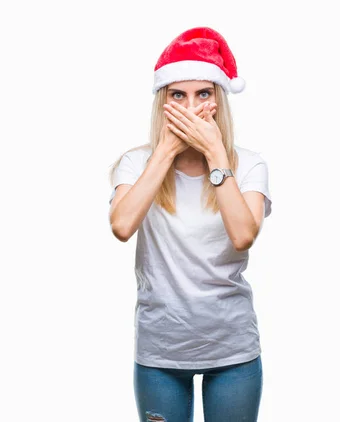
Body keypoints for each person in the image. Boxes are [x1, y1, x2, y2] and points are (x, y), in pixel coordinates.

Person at [107, 27, 271, 422]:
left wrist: (216, 152)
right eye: (177, 95)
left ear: (219, 100)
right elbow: (122, 226)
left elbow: (243, 234)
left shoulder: (248, 165)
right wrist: (165, 151)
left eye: (204, 94)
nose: (190, 107)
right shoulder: (135, 163)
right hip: (160, 351)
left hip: (232, 350)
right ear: (163, 101)